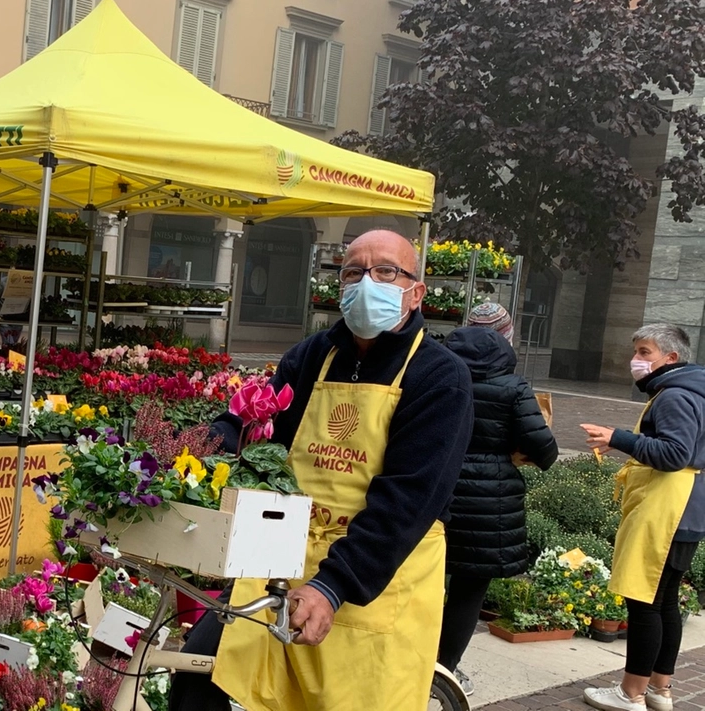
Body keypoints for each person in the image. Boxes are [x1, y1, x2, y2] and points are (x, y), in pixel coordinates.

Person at [169, 230, 475, 711]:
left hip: (372, 575)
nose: (366, 282)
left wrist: (333, 585)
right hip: (283, 561)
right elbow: (251, 424)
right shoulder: (314, 355)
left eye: (385, 271)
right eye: (353, 272)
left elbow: (408, 502)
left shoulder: (439, 376)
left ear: (416, 292)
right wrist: (188, 450)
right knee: (201, 675)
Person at [580, 324, 705, 711]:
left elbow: (673, 454)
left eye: (646, 352)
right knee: (665, 601)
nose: (637, 360)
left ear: (671, 358)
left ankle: (631, 692)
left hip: (667, 509)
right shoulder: (693, 390)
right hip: (687, 510)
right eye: (636, 350)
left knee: (645, 601)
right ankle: (659, 689)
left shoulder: (675, 396)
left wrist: (617, 437)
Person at [438, 324, 558, 695]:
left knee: (418, 582)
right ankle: (444, 671)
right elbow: (544, 448)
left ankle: (405, 657)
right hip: (489, 504)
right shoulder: (513, 388)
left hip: (435, 490)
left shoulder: (436, 379)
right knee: (468, 592)